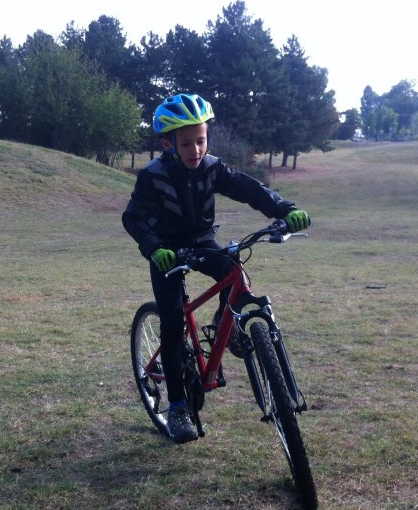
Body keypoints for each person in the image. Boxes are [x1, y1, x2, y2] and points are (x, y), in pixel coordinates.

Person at [122, 93, 311, 444]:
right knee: (173, 320)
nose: (195, 149)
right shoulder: (153, 175)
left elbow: (249, 190)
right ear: (168, 144)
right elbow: (133, 218)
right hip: (167, 250)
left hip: (203, 241)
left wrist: (284, 210)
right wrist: (154, 248)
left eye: (201, 140)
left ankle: (229, 323)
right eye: (186, 143)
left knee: (233, 269)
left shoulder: (212, 168)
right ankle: (177, 406)